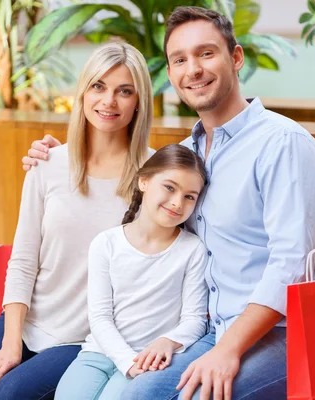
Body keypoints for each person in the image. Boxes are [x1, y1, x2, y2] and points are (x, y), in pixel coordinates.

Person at [23, 6, 315, 400]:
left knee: (141, 397)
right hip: (210, 331)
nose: (194, 69)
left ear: (235, 58)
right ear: (170, 75)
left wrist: (228, 349)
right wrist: (55, 156)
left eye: (206, 53)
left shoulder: (282, 144)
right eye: (180, 60)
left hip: (284, 333)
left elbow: (291, 265)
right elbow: (133, 195)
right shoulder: (186, 157)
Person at [0, 41, 153, 400]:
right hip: (27, 322)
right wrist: (11, 343)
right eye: (98, 86)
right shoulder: (47, 163)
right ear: (82, 92)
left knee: (10, 395)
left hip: (87, 338)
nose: (109, 101)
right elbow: (23, 260)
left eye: (125, 91)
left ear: (138, 101)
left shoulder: (154, 176)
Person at [54, 144, 210, 399]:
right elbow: (100, 317)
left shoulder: (193, 250)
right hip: (99, 354)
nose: (176, 202)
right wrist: (127, 361)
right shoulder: (106, 244)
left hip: (151, 358)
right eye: (169, 187)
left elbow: (194, 320)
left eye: (189, 196)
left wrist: (168, 342)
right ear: (144, 182)